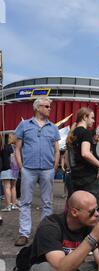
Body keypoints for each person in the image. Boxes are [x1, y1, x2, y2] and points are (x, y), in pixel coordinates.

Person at [15, 98, 60, 246]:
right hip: (28, 169)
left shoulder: (53, 127)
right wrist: (21, 167)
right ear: (37, 108)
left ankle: (43, 233)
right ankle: (24, 233)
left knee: (47, 203)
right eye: (46, 106)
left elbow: (57, 150)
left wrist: (54, 168)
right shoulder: (24, 125)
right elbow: (18, 149)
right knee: (25, 202)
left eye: (50, 106)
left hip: (47, 169)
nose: (49, 109)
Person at [69, 108, 99, 210]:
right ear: (84, 117)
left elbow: (68, 157)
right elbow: (85, 153)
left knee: (78, 209)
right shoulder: (85, 133)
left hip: (75, 176)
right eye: (92, 118)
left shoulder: (72, 133)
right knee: (94, 209)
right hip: (88, 178)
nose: (93, 121)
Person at [0, 133, 19, 211]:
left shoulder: (4, 147)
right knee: (13, 187)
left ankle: (8, 206)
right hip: (15, 169)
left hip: (6, 168)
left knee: (6, 186)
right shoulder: (16, 147)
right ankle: (14, 204)